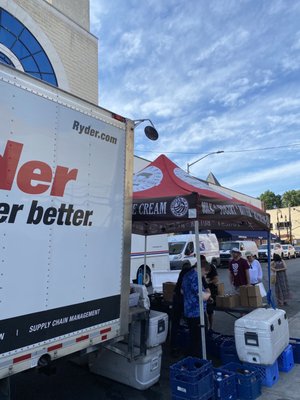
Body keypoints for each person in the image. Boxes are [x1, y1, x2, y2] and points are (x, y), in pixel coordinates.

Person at [181, 256, 211, 358]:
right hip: (196, 312)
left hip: (188, 310)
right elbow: (201, 296)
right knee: (199, 338)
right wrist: (208, 294)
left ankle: (191, 359)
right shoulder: (195, 277)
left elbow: (182, 291)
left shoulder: (186, 275)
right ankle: (197, 361)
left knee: (193, 337)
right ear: (202, 269)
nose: (205, 276)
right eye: (205, 273)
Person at [170, 265, 192, 356]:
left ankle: (174, 346)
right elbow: (184, 291)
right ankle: (187, 348)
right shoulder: (190, 275)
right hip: (183, 302)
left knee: (175, 324)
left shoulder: (183, 273)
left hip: (177, 301)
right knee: (190, 325)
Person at [204, 261, 219, 331]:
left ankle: (210, 327)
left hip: (211, 291)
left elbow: (216, 279)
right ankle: (205, 328)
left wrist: (209, 281)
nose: (206, 274)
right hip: (204, 293)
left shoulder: (212, 267)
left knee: (210, 310)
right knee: (204, 311)